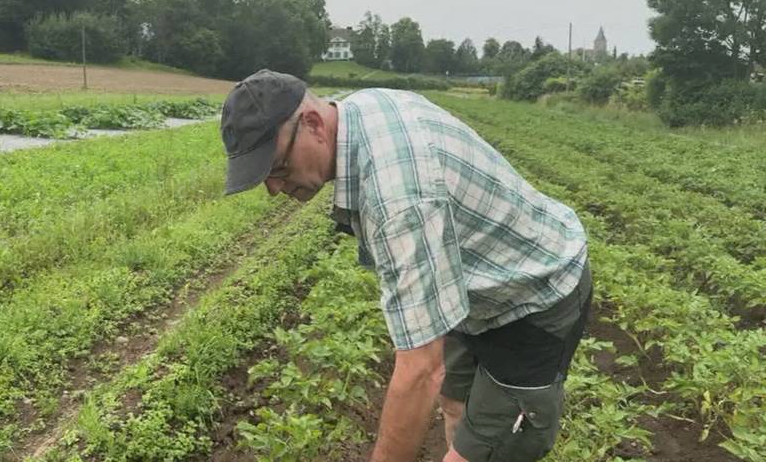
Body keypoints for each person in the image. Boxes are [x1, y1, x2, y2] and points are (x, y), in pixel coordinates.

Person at [219, 69, 591, 462]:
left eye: (276, 167)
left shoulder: (399, 199)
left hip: (534, 297)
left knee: (477, 442)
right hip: (469, 286)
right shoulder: (358, 111)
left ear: (313, 124)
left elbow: (420, 371)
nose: (274, 188)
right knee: (455, 405)